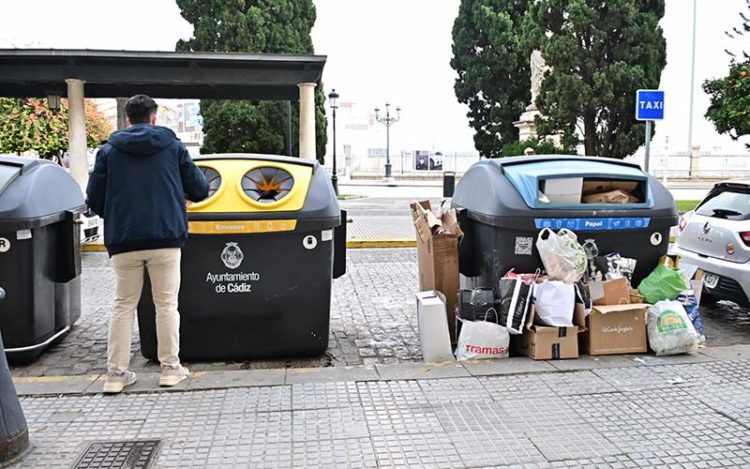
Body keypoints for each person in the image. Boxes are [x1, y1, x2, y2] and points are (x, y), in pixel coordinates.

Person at [86, 95, 209, 394]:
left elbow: (94, 197)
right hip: (165, 237)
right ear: (154, 118)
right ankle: (170, 369)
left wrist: (117, 213)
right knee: (166, 304)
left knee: (123, 305)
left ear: (128, 119)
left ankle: (116, 374)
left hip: (124, 238)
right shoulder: (173, 146)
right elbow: (200, 188)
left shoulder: (109, 151)